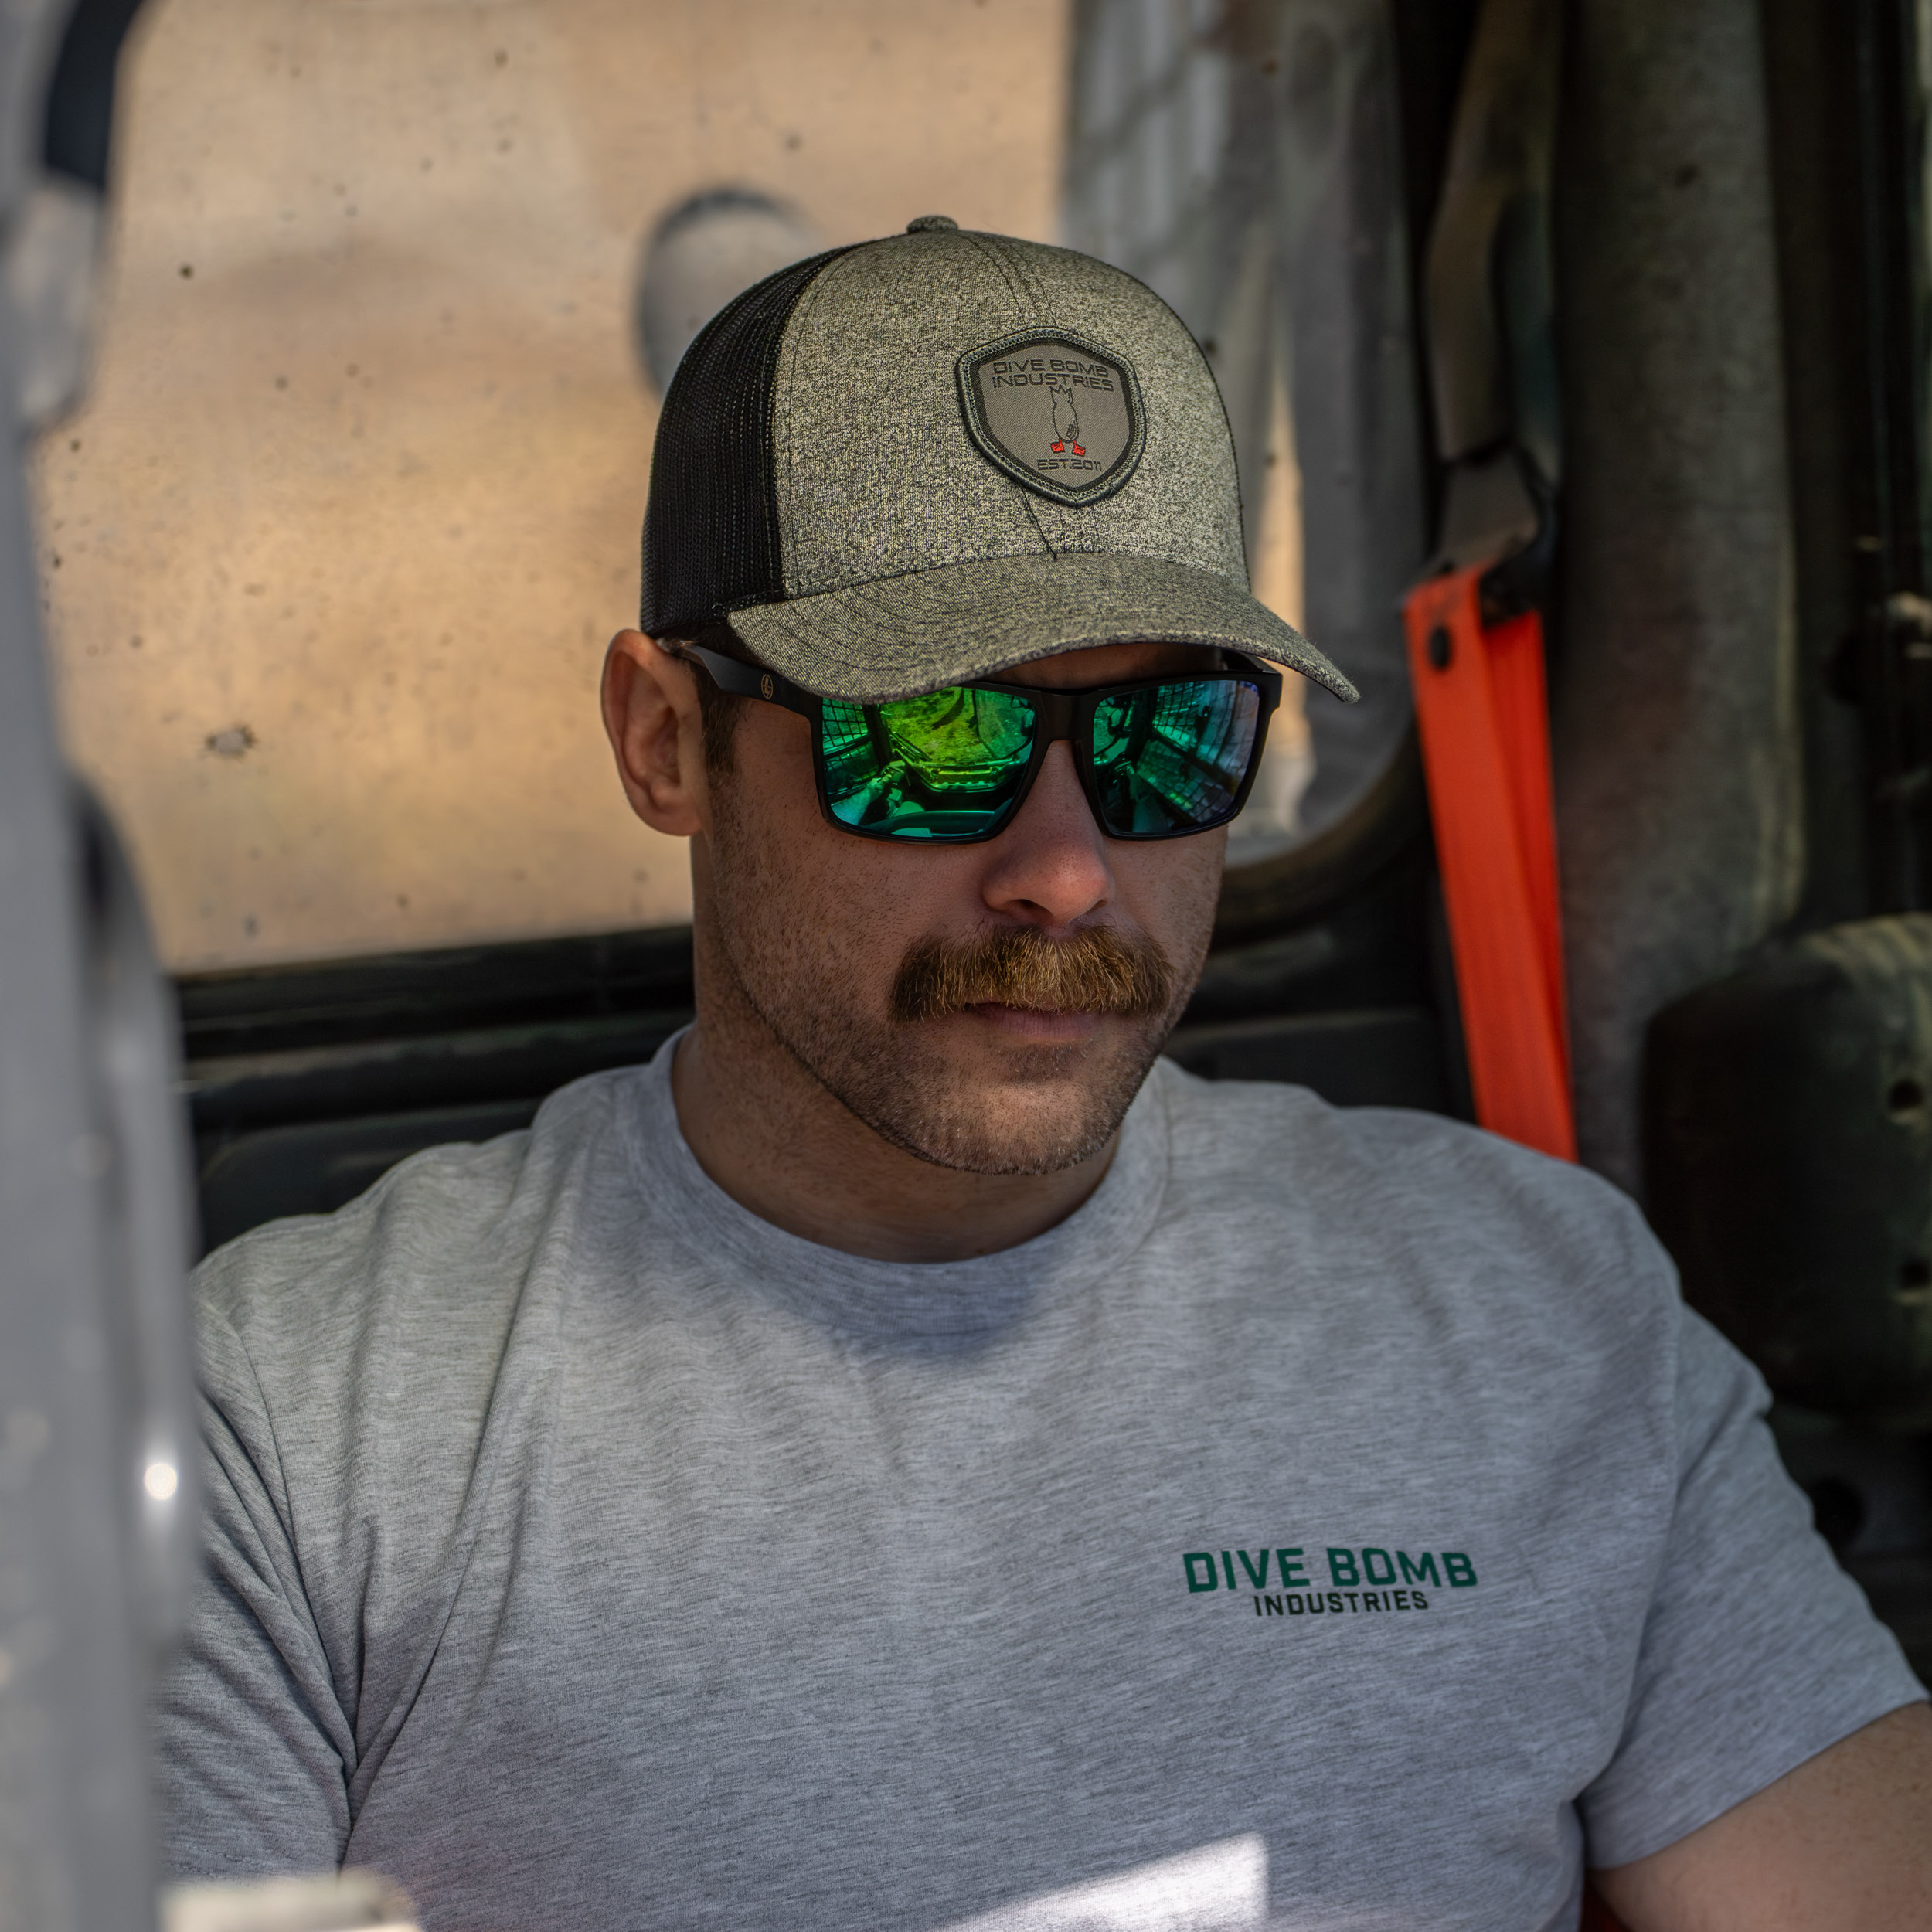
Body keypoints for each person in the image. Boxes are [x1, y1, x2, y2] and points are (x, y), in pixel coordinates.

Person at [155, 219, 1931, 1932]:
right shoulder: (292, 1430)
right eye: (934, 733)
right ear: (663, 736)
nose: (1067, 869)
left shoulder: (1535, 1311)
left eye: (1170, 736)